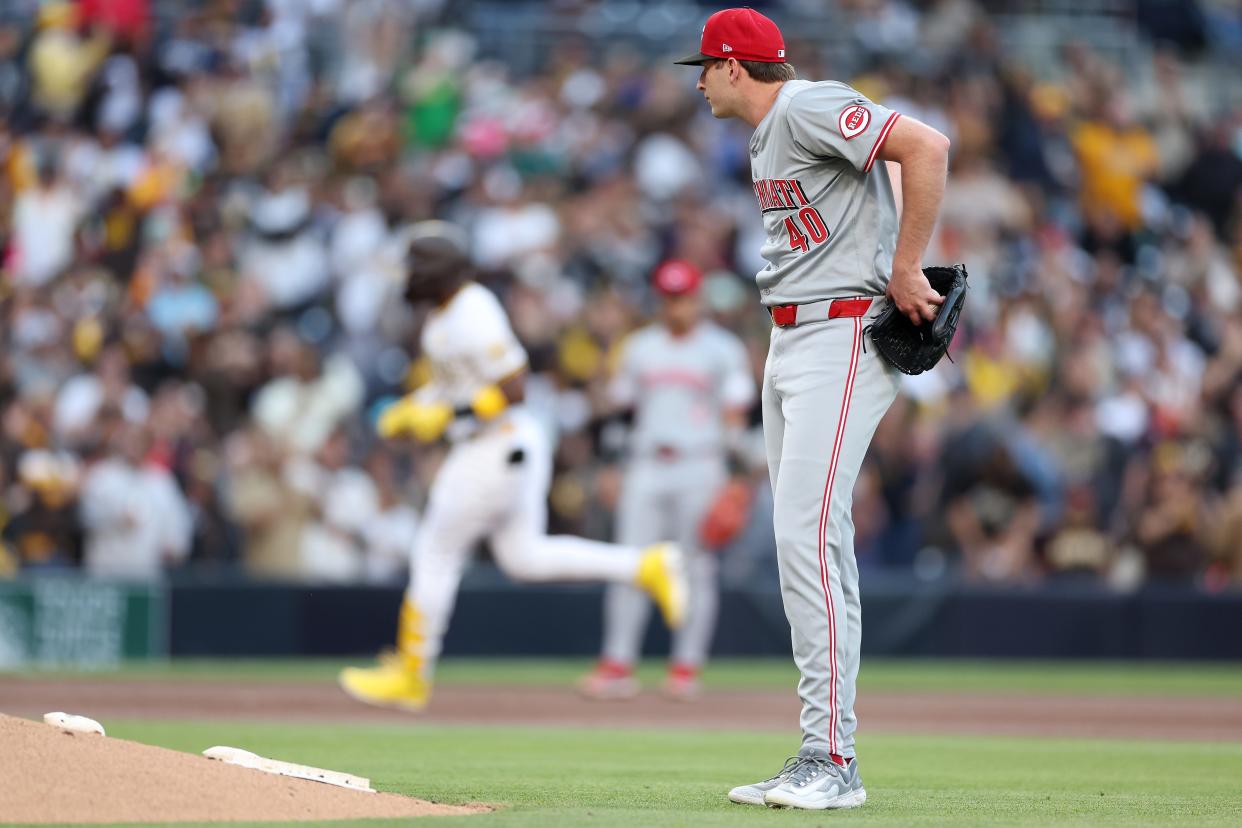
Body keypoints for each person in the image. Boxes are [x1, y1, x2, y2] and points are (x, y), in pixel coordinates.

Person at [673, 7, 950, 810]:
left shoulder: (803, 104)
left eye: (705, 65)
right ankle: (820, 750)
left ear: (732, 66)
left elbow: (925, 145)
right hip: (791, 337)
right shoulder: (768, 135)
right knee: (807, 539)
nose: (697, 81)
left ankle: (832, 759)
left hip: (841, 331)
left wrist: (906, 266)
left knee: (806, 536)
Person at [338, 223, 688, 711]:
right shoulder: (447, 314)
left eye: (415, 268)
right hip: (505, 444)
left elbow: (515, 386)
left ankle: (412, 672)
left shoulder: (471, 309)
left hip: (495, 444)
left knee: (435, 551)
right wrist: (415, 406)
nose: (407, 278)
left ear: (435, 272)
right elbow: (459, 384)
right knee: (523, 556)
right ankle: (645, 565)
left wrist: (445, 414)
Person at [579, 259, 755, 700]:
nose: (676, 306)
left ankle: (685, 669)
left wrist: (734, 477)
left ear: (697, 298)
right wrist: (611, 466)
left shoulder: (722, 349)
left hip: (701, 462)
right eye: (669, 297)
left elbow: (736, 416)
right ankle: (618, 664)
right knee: (630, 564)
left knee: (696, 567)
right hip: (647, 462)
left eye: (683, 297)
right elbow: (621, 414)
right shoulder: (639, 347)